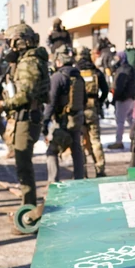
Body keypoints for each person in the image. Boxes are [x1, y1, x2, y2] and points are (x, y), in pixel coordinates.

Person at [0, 24, 48, 205]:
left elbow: (26, 95)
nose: (9, 47)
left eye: (11, 42)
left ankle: (29, 206)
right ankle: (27, 201)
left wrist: (3, 104)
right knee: (22, 164)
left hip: (26, 118)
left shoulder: (29, 63)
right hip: (23, 117)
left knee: (23, 165)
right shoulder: (25, 61)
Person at [43, 45, 85, 184]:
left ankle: (53, 182)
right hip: (77, 118)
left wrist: (45, 120)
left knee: (52, 151)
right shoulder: (79, 77)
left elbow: (51, 101)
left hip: (62, 120)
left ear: (59, 62)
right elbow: (84, 99)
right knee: (76, 150)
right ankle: (79, 180)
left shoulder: (57, 77)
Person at [75, 46, 109, 177]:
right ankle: (100, 169)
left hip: (79, 110)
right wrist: (99, 102)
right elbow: (105, 90)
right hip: (93, 109)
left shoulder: (76, 72)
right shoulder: (96, 72)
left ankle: (82, 171)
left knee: (81, 143)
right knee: (95, 141)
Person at [108, 52, 135, 150]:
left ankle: (119, 141)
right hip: (131, 98)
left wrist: (115, 97)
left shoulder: (122, 70)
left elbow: (119, 86)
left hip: (122, 98)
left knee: (120, 121)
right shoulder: (131, 69)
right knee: (130, 119)